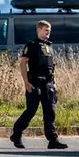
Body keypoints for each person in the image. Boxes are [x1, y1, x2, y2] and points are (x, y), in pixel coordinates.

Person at [10, 20, 68, 149]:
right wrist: (26, 82)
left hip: (48, 84)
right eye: (46, 30)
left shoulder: (49, 46)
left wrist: (53, 84)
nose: (48, 33)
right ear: (39, 30)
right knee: (31, 111)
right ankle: (17, 134)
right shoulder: (31, 45)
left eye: (49, 31)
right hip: (34, 83)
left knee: (50, 112)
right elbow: (23, 64)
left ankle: (53, 140)